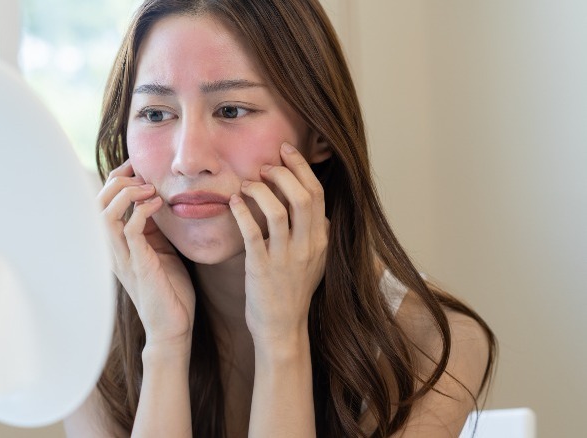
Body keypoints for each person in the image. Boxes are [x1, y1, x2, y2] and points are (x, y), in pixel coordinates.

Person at [65, 0, 496, 436]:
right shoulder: (88, 344)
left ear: (320, 133)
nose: (188, 160)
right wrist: (165, 344)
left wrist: (281, 340)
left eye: (231, 110)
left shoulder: (432, 345)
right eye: (156, 114)